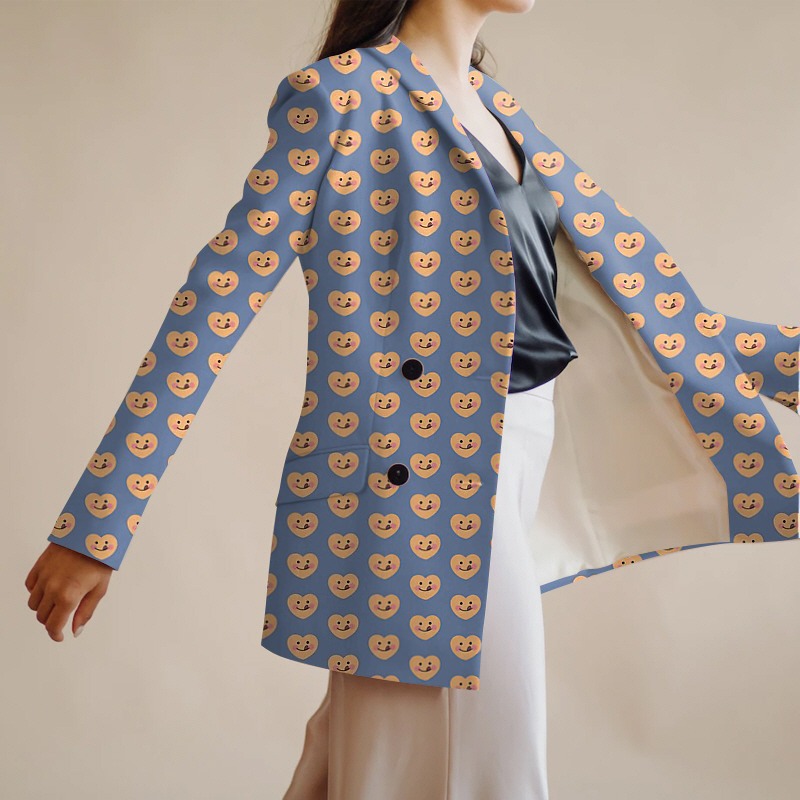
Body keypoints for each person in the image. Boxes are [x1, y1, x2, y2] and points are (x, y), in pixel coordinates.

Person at [25, 0, 799, 798]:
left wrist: (787, 363)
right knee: (485, 766)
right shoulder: (339, 96)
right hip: (417, 486)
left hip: (515, 455)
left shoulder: (499, 111)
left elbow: (631, 306)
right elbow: (213, 306)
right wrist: (98, 522)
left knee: (375, 765)